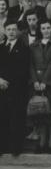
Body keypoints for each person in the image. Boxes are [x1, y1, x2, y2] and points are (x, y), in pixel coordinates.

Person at [0, 19, 31, 156]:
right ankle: (2, 146)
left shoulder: (24, 48)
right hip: (1, 88)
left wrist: (8, 82)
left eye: (13, 29)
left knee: (16, 117)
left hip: (17, 89)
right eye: (9, 30)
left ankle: (15, 148)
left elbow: (23, 70)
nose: (11, 32)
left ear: (17, 31)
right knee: (2, 117)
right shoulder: (1, 47)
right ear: (5, 31)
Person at [29, 19, 51, 153]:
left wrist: (45, 82)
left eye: (48, 28)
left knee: (50, 112)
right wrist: (35, 81)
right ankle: (41, 143)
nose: (46, 31)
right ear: (40, 30)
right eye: (43, 28)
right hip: (37, 84)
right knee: (40, 113)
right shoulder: (34, 45)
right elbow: (30, 65)